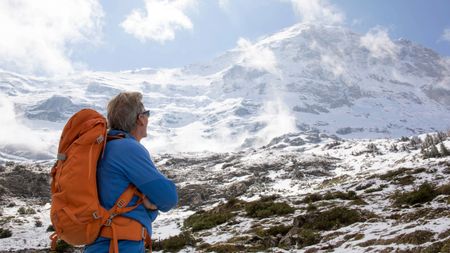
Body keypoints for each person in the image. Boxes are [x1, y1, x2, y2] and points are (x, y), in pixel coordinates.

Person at [85, 91, 178, 253]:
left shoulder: (103, 148)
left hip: (100, 244)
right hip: (119, 245)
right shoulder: (127, 148)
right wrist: (150, 205)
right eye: (146, 114)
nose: (147, 118)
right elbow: (168, 198)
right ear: (140, 119)